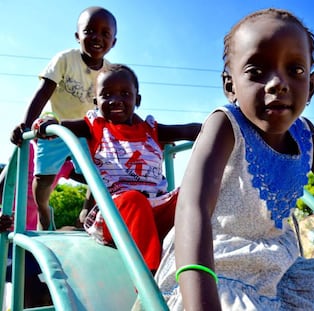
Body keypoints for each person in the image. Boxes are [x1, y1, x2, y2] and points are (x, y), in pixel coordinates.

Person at [153, 8, 314, 310]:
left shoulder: (306, 136)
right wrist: (201, 299)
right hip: (218, 263)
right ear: (230, 86)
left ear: (312, 86)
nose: (278, 82)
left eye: (296, 70)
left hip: (281, 268)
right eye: (256, 71)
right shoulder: (225, 125)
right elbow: (193, 206)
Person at [34, 64, 201, 273]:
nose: (116, 100)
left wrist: (221, 126)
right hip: (114, 215)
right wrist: (48, 122)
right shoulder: (96, 127)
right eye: (106, 95)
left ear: (137, 100)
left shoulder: (152, 130)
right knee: (134, 200)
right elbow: (62, 126)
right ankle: (149, 280)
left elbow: (188, 129)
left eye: (125, 93)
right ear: (96, 103)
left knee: (192, 194)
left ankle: (202, 266)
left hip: (155, 208)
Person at [10, 6, 117, 230]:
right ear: (78, 36)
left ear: (113, 42)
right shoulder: (65, 60)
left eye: (105, 33)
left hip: (87, 131)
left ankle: (85, 214)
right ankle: (43, 208)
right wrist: (27, 126)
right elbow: (42, 93)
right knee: (43, 180)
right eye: (90, 31)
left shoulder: (110, 73)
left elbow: (117, 108)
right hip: (56, 127)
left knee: (101, 173)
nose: (97, 37)